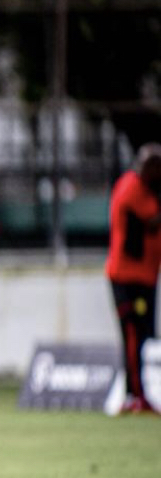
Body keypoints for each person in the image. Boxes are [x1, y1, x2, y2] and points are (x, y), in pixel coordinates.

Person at [105, 143, 161, 414]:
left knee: (140, 335)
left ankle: (137, 393)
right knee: (131, 334)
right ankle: (134, 396)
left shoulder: (146, 189)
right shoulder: (132, 188)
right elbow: (153, 220)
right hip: (127, 277)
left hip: (145, 276)